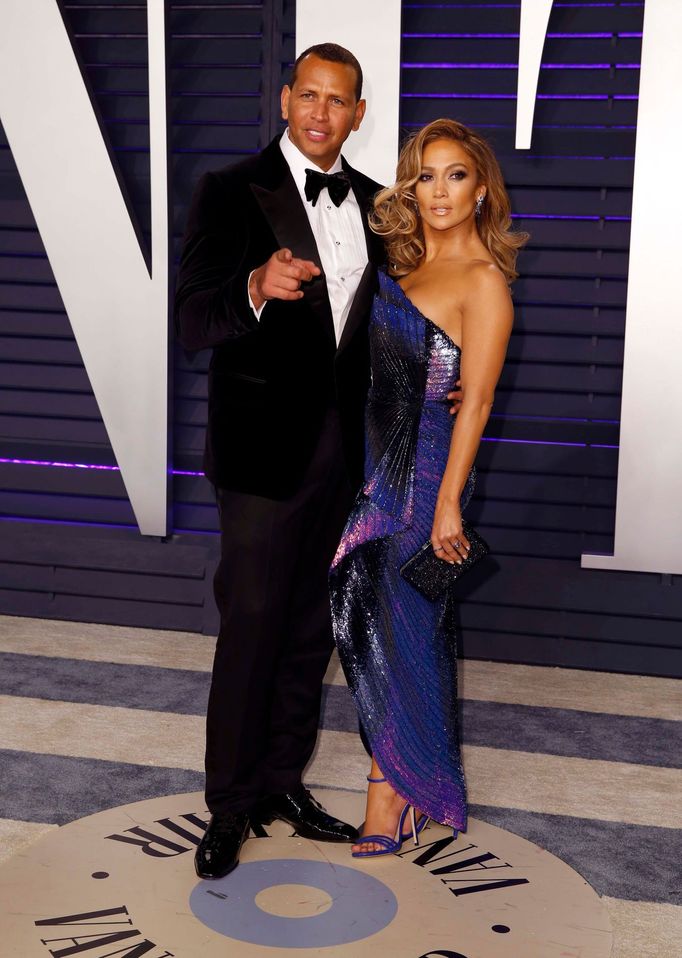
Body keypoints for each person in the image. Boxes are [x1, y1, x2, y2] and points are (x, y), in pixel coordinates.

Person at [174, 43, 386, 879]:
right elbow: (193, 320)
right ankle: (229, 805)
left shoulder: (379, 206)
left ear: (357, 115)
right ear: (287, 97)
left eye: (339, 101)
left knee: (309, 634)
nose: (321, 112)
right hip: (261, 457)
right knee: (253, 627)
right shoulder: (229, 192)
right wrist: (255, 285)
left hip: (347, 461)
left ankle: (279, 785)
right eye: (310, 95)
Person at [329, 118, 527, 856]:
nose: (438, 191)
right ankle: (410, 779)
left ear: (481, 191)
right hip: (380, 464)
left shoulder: (483, 281)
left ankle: (392, 793)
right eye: (426, 175)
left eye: (456, 176)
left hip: (428, 475)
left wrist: (448, 502)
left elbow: (475, 401)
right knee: (373, 613)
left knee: (403, 625)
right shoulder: (403, 267)